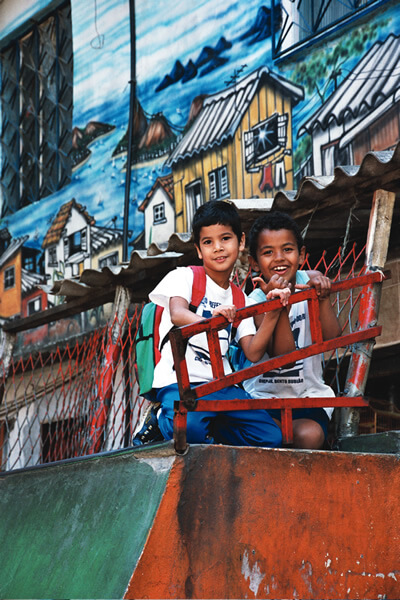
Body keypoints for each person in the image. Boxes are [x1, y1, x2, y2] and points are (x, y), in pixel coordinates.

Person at [133, 200, 292, 448]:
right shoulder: (185, 276)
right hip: (180, 381)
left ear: (240, 242)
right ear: (198, 249)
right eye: (208, 242)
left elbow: (253, 351)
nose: (218, 248)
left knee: (270, 436)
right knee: (189, 431)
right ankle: (159, 420)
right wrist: (212, 321)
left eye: (225, 239)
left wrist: (272, 312)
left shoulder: (239, 297)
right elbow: (177, 313)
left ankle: (214, 426)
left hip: (222, 382)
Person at [242, 211, 342, 449]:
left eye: (287, 249)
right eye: (268, 252)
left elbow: (332, 337)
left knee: (309, 435)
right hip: (265, 398)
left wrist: (323, 298)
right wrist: (279, 305)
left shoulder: (311, 280)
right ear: (254, 263)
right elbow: (283, 358)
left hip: (309, 395)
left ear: (302, 255)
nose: (279, 258)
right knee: (271, 440)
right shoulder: (254, 301)